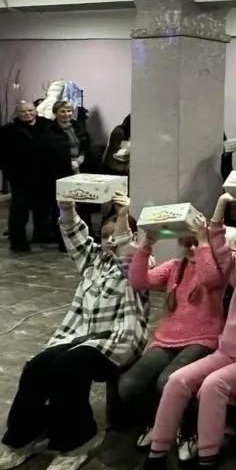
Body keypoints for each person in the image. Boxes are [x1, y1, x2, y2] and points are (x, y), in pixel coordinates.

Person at [143, 187, 236, 470]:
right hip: (228, 351)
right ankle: (157, 453)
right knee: (176, 380)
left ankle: (207, 457)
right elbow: (220, 246)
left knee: (213, 386)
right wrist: (221, 203)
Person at [0, 197, 149, 470]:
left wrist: (125, 214)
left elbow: (128, 251)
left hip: (116, 339)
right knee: (36, 367)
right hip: (79, 336)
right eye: (105, 236)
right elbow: (73, 233)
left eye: (115, 236)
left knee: (67, 368)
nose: (110, 242)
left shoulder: (138, 263)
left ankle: (77, 438)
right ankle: (24, 435)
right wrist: (67, 206)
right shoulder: (93, 260)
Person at [120, 224, 225, 451]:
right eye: (186, 244)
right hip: (167, 339)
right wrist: (147, 244)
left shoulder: (214, 267)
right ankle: (156, 423)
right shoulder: (174, 267)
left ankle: (189, 430)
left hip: (202, 339)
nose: (191, 248)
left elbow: (211, 279)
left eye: (195, 243)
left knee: (168, 381)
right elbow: (139, 281)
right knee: (129, 384)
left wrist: (203, 243)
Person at [0, 100, 63, 251]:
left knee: (43, 208)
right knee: (20, 209)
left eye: (30, 110)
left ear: (35, 111)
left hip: (45, 176)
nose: (27, 114)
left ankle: (41, 233)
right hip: (21, 178)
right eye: (23, 111)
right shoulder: (9, 131)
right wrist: (10, 173)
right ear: (18, 114)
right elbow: (4, 155)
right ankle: (18, 240)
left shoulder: (48, 126)